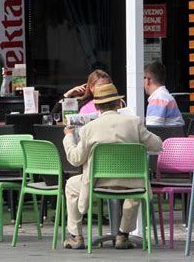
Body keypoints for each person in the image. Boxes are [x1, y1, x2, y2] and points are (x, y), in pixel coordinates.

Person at [62, 83, 162, 250]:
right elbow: (157, 145)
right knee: (136, 188)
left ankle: (75, 235)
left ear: (97, 106)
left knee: (71, 185)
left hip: (98, 182)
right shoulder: (134, 123)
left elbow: (76, 159)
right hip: (131, 183)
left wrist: (68, 137)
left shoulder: (89, 128)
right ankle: (123, 234)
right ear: (118, 104)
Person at [143, 61, 184, 126]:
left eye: (143, 78)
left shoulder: (157, 99)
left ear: (147, 80)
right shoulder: (164, 96)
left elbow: (153, 129)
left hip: (167, 136)